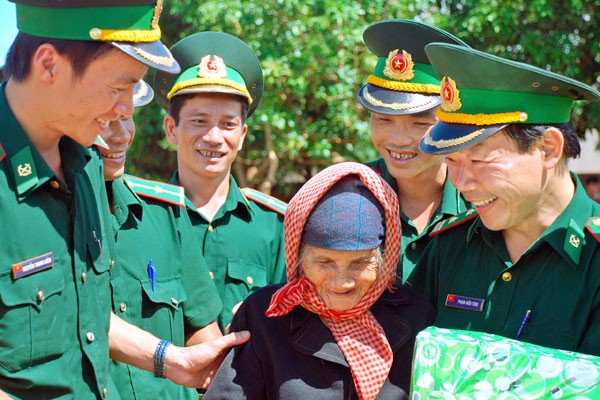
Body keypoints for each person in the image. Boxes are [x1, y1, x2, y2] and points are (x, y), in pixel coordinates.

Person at [0, 2, 248, 398]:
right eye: (118, 88)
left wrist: (171, 359)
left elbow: (82, 315)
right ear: (49, 65)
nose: (127, 110)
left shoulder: (84, 166)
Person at [411, 43, 600, 355]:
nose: (460, 184)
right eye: (452, 163)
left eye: (479, 162)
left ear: (548, 149)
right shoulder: (449, 247)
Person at [204, 162, 435, 400]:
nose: (342, 282)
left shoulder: (416, 317)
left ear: (383, 257)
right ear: (298, 257)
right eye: (324, 262)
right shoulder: (266, 316)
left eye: (360, 263)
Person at [153, 31, 287, 333]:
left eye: (228, 124)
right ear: (171, 129)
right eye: (199, 121)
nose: (214, 137)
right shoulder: (142, 220)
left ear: (241, 135)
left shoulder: (274, 227)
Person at [99, 81, 224, 399]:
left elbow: (202, 333)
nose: (122, 134)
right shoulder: (38, 221)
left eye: (127, 118)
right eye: (105, 121)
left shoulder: (164, 213)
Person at [357, 20, 470, 283]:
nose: (398, 140)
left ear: (451, 122)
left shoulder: (483, 201)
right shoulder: (350, 196)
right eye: (383, 119)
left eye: (420, 123)